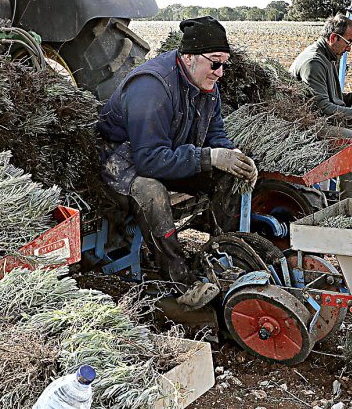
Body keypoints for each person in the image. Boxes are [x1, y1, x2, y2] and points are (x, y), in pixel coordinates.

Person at [97, 16, 258, 308]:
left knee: (228, 174)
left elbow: (215, 132)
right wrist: (208, 157)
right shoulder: (151, 88)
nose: (220, 72)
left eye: (224, 64)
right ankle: (180, 281)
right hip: (125, 162)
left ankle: (224, 253)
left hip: (168, 153)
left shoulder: (205, 83)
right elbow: (148, 162)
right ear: (188, 57)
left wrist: (232, 156)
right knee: (152, 193)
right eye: (215, 63)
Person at [289, 13, 352, 193]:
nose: (349, 48)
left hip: (326, 118)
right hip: (310, 124)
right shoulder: (314, 62)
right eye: (348, 42)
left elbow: (334, 98)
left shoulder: (328, 58)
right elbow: (323, 108)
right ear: (334, 38)